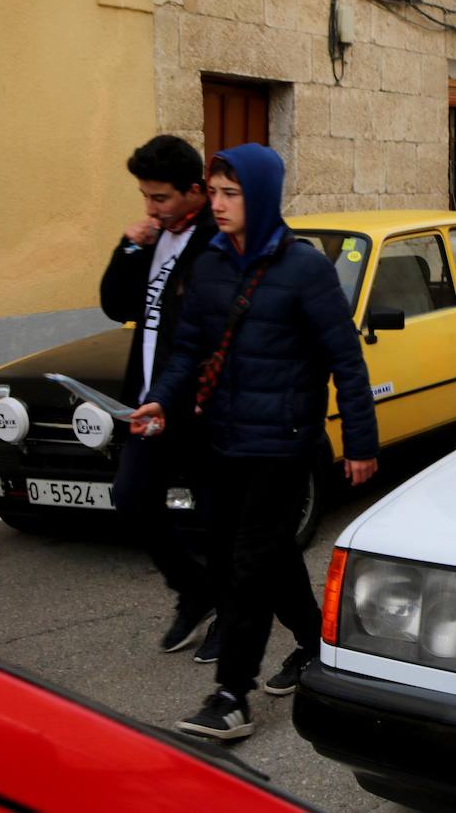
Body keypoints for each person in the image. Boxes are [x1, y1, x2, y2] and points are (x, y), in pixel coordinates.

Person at [132, 144, 379, 741]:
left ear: (261, 197)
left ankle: (231, 696)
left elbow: (346, 360)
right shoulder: (212, 264)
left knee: (245, 568)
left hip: (284, 444)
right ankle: (317, 643)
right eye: (213, 192)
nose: (216, 204)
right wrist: (162, 397)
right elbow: (187, 348)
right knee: (257, 558)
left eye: (230, 193)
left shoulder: (306, 269)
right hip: (223, 438)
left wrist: (361, 444)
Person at [101, 136, 221, 661]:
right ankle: (194, 590)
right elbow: (116, 306)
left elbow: (211, 332)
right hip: (149, 402)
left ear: (195, 192)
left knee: (220, 514)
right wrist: (129, 248)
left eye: (161, 198)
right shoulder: (152, 239)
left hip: (200, 405)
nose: (151, 208)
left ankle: (233, 611)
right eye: (145, 197)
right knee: (132, 497)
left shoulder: (217, 241)